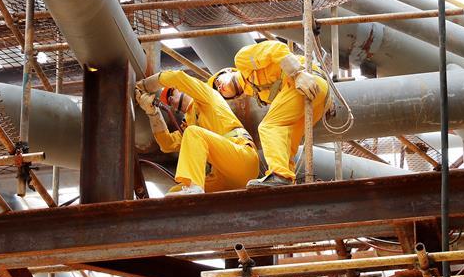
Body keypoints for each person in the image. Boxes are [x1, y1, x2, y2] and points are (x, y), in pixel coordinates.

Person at [213, 40, 329, 188]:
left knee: (269, 127)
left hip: (307, 80)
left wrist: (297, 73)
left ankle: (280, 175)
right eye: (219, 91)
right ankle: (287, 181)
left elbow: (276, 48)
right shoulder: (260, 95)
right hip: (316, 94)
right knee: (287, 142)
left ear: (229, 71)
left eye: (218, 81)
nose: (220, 87)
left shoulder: (242, 61)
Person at [135, 70, 259, 195]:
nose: (170, 99)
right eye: (168, 100)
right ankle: (192, 191)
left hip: (243, 160)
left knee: (193, 132)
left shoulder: (207, 95)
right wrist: (153, 113)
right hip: (223, 176)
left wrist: (144, 85)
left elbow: (177, 77)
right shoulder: (190, 124)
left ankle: (194, 188)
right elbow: (167, 144)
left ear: (183, 89)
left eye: (171, 92)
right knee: (173, 194)